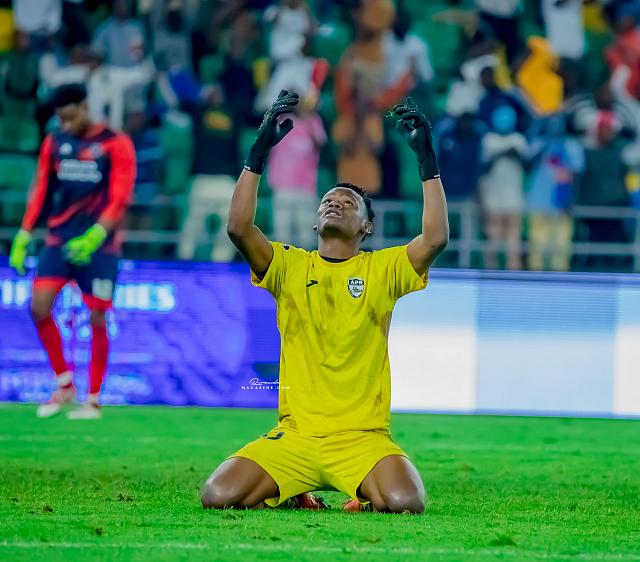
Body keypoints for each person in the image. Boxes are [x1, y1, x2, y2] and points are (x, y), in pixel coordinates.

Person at [200, 92, 449, 512]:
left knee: (406, 501)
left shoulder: (382, 269)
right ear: (316, 222)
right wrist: (258, 153)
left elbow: (436, 238)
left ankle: (355, 493)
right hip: (297, 436)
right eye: (328, 201)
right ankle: (297, 490)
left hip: (362, 439)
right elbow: (239, 228)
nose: (335, 203)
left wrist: (427, 162)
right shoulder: (289, 265)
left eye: (348, 203)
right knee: (219, 495)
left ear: (366, 227)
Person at [8, 84, 136, 419]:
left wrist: (96, 235)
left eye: (70, 117)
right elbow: (41, 191)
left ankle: (92, 399)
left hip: (100, 246)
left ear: (85, 108)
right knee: (39, 307)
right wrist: (24, 233)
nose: (65, 125)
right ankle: (64, 384)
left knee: (97, 316)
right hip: (59, 239)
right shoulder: (55, 142)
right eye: (60, 119)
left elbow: (121, 195)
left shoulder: (115, 142)